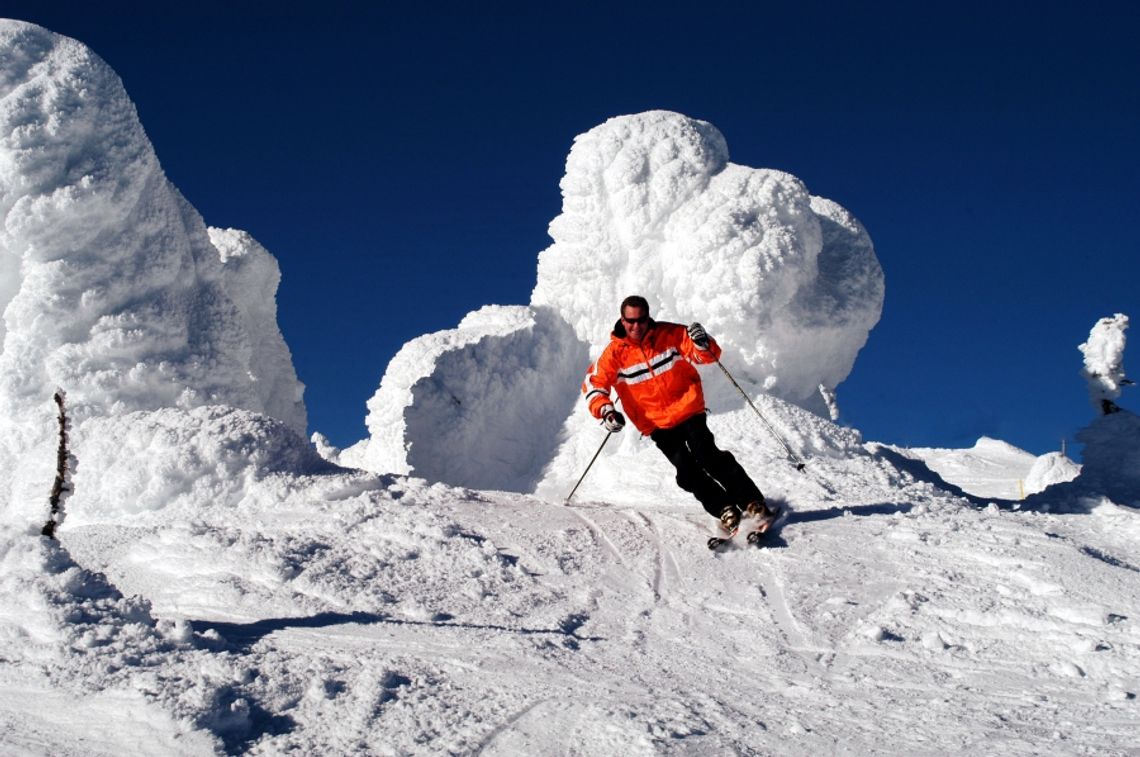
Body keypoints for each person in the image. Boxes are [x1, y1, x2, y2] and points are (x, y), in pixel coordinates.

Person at [582, 295, 776, 534]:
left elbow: (704, 355)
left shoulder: (670, 334)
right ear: (622, 320)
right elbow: (594, 383)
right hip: (656, 424)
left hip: (688, 408)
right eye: (630, 321)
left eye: (641, 320)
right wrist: (606, 409)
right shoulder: (614, 354)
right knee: (686, 471)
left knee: (708, 456)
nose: (636, 326)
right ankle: (725, 509)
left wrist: (702, 341)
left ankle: (752, 503)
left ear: (648, 317)